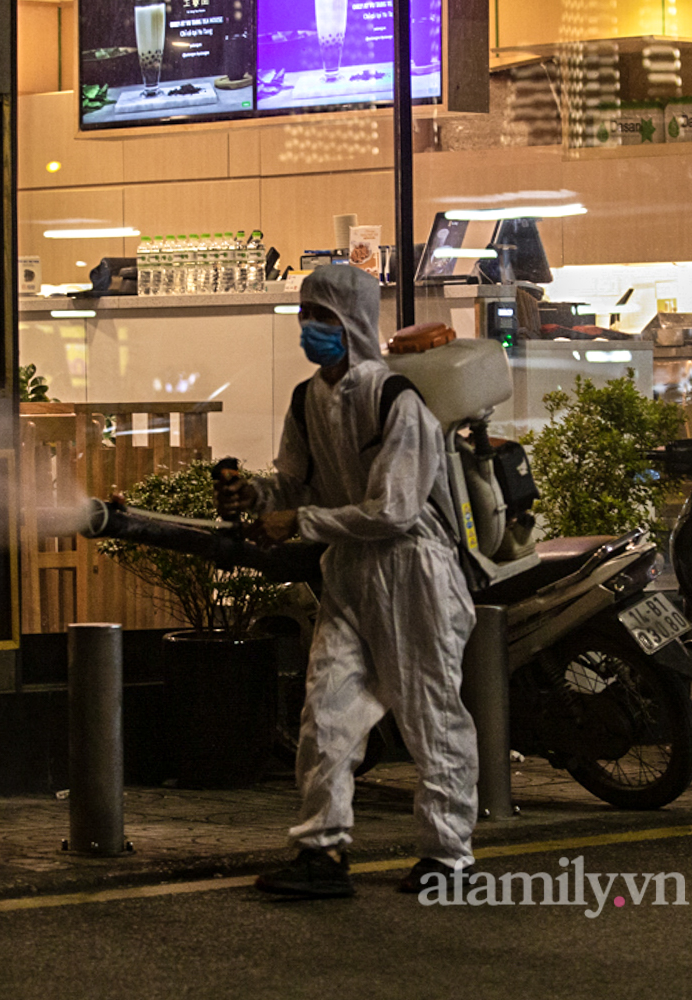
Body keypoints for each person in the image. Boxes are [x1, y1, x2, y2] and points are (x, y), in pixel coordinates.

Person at [215, 264, 478, 899]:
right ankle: (321, 852)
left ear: (353, 323)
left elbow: (394, 511)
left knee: (430, 715)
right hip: (349, 573)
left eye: (323, 318)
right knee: (325, 717)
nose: (311, 329)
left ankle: (449, 858)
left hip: (414, 572)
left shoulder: (395, 400)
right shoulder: (308, 399)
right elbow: (293, 480)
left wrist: (296, 521)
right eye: (305, 316)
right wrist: (253, 493)